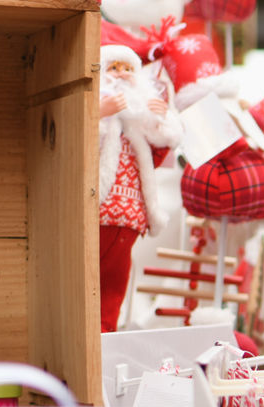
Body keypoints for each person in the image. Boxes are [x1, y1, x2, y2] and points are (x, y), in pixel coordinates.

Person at [97, 44, 182, 332]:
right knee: (84, 284)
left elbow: (158, 154)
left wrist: (160, 119)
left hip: (129, 221)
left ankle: (105, 340)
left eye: (128, 69)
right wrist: (98, 113)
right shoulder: (101, 125)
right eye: (113, 68)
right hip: (96, 217)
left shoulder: (138, 132)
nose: (121, 74)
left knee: (113, 289)